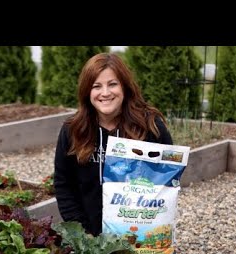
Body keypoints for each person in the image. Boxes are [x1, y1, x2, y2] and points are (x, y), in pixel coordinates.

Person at [54, 52, 173, 236]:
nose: (105, 93)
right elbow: (64, 185)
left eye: (112, 84)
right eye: (96, 86)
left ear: (124, 86)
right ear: (87, 91)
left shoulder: (150, 127)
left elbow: (167, 180)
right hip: (89, 237)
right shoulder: (73, 130)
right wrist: (82, 234)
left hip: (140, 235)